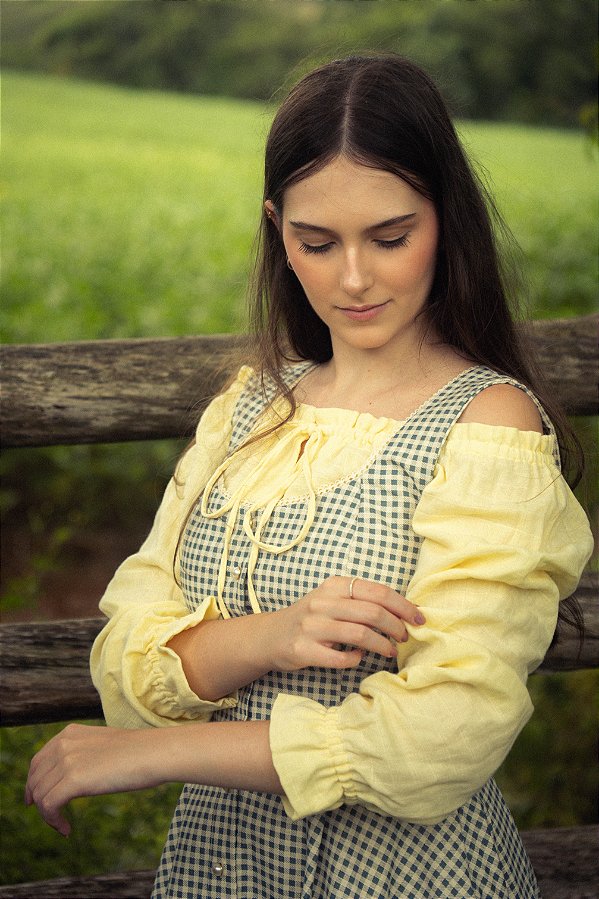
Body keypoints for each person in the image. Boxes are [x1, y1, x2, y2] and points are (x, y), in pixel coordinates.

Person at [26, 55, 593, 899]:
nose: (354, 278)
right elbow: (124, 656)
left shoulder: (487, 427)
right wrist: (271, 634)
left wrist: (154, 753)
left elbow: (442, 736)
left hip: (406, 877)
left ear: (447, 220)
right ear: (275, 227)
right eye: (316, 242)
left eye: (391, 237)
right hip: (219, 871)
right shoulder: (248, 409)